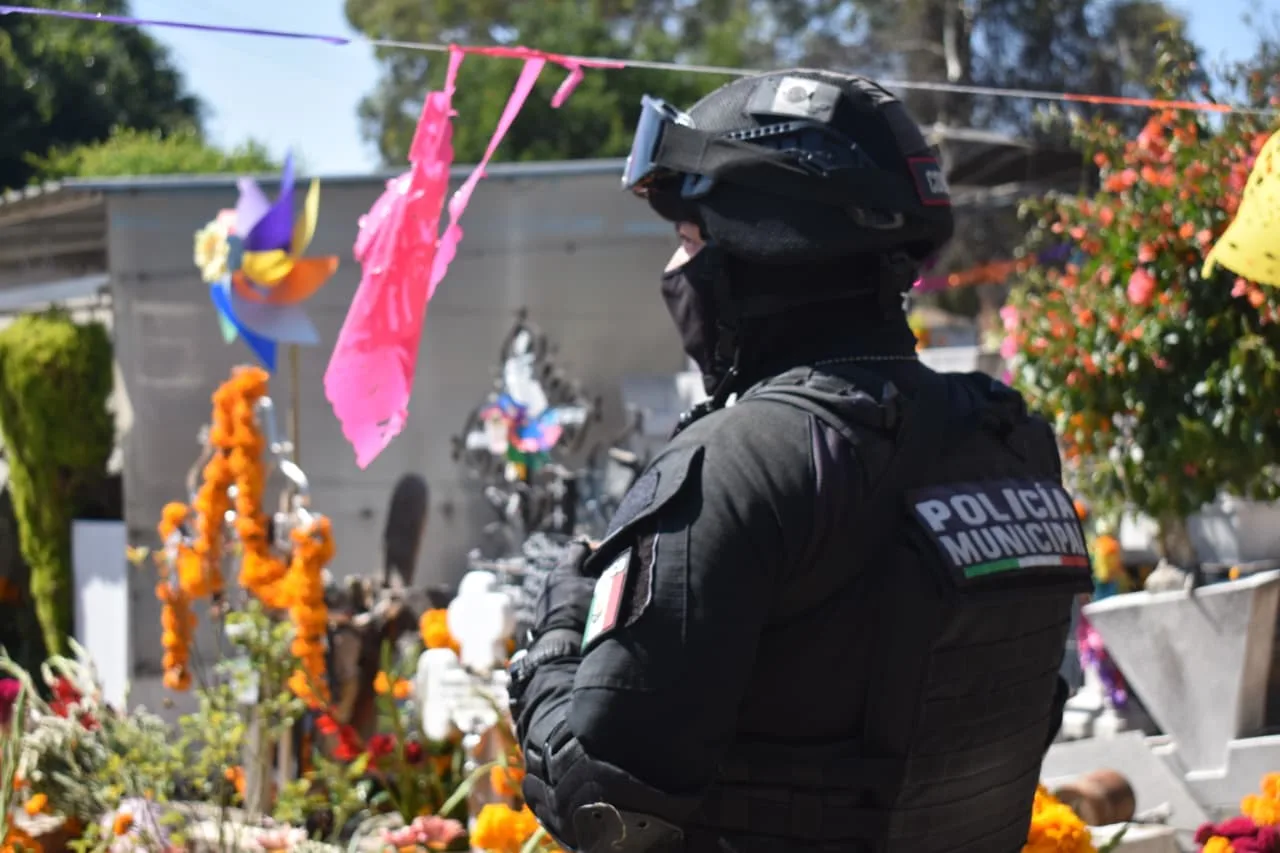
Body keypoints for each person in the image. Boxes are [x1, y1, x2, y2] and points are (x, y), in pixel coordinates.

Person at [507, 69, 1089, 853]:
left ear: (765, 243)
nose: (677, 270)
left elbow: (602, 805)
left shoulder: (736, 465)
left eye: (690, 239)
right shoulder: (1010, 440)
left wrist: (555, 635)